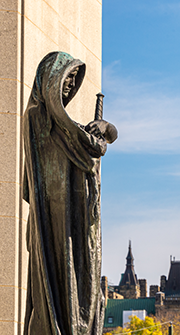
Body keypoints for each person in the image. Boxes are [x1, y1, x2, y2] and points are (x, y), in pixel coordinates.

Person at [23, 51, 117, 335]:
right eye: (67, 77)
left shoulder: (66, 127)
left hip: (77, 219)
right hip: (55, 222)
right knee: (61, 289)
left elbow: (101, 139)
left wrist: (106, 128)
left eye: (74, 79)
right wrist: (100, 137)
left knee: (84, 288)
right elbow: (90, 150)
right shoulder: (38, 118)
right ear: (50, 80)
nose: (70, 84)